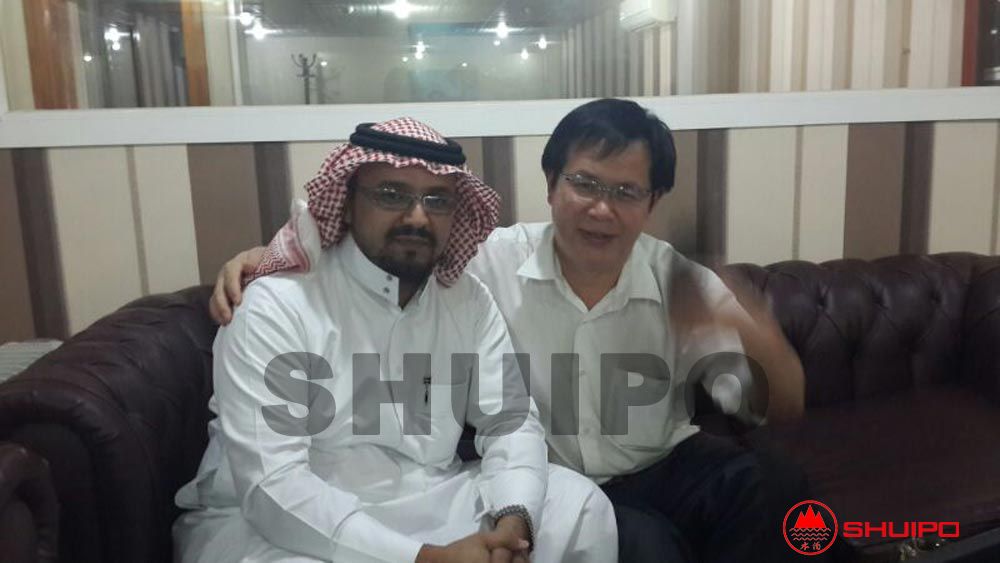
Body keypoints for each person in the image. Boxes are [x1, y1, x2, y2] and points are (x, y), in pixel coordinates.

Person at [210, 100, 808, 562]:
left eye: (626, 192)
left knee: (774, 488)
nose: (602, 209)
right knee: (641, 541)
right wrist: (280, 257)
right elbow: (369, 256)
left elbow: (770, 406)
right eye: (585, 184)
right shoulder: (479, 266)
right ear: (551, 186)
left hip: (654, 465)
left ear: (651, 202)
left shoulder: (680, 282)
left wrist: (756, 331)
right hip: (535, 473)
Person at [173, 117, 618, 563]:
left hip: (427, 497)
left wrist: (513, 522)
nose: (418, 217)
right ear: (347, 204)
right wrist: (427, 559)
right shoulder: (277, 303)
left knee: (579, 506)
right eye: (391, 194)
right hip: (283, 522)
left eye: (437, 200)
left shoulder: (466, 300)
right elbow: (272, 486)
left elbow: (510, 421)